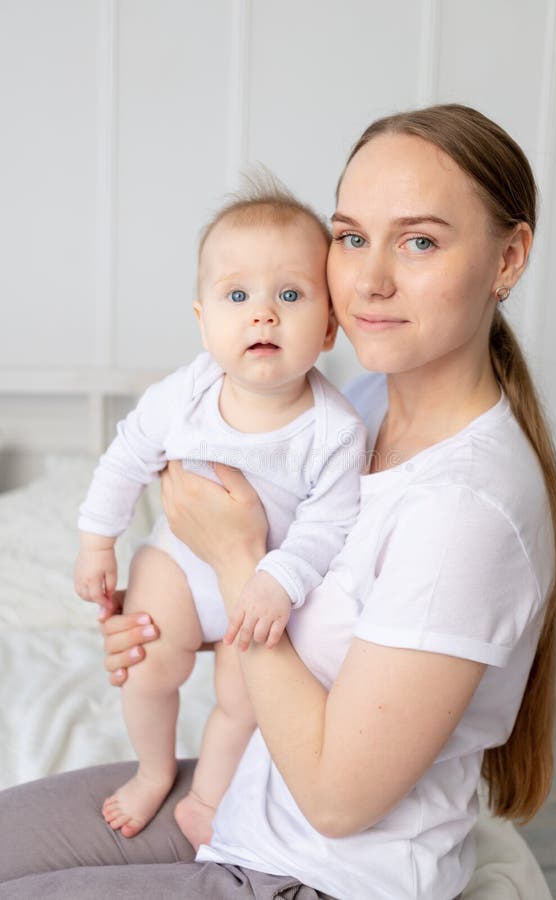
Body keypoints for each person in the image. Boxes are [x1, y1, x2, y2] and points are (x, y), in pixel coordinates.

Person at [0, 104, 556, 900]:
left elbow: (339, 801)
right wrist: (165, 631)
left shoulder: (466, 513)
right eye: (350, 236)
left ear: (508, 259)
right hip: (246, 803)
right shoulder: (358, 403)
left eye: (419, 242)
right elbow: (315, 616)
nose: (370, 279)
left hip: (318, 875)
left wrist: (237, 560)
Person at [73, 186, 366, 848]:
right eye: (238, 297)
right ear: (204, 321)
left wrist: (280, 577)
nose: (263, 313)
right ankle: (153, 770)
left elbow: (329, 525)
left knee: (245, 702)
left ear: (327, 327)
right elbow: (124, 460)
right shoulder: (186, 394)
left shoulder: (336, 430)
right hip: (178, 564)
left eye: (290, 295)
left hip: (262, 592)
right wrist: (98, 544)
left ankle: (207, 796)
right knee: (147, 666)